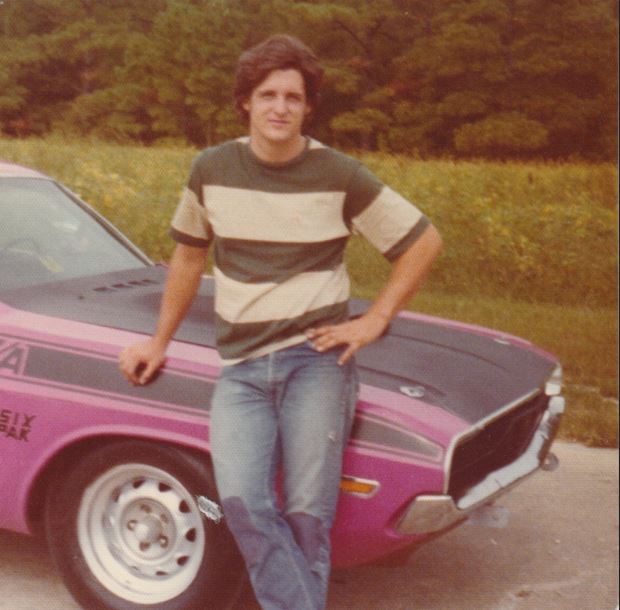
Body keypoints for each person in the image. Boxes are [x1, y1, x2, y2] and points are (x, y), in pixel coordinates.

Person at [119, 34, 442, 610]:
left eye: (293, 97)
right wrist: (158, 340)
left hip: (316, 363)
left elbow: (422, 241)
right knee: (242, 504)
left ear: (308, 107)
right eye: (268, 95)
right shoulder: (211, 168)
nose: (280, 107)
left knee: (307, 516)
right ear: (246, 101)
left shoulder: (340, 174)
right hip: (242, 369)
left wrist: (375, 319)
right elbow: (189, 257)